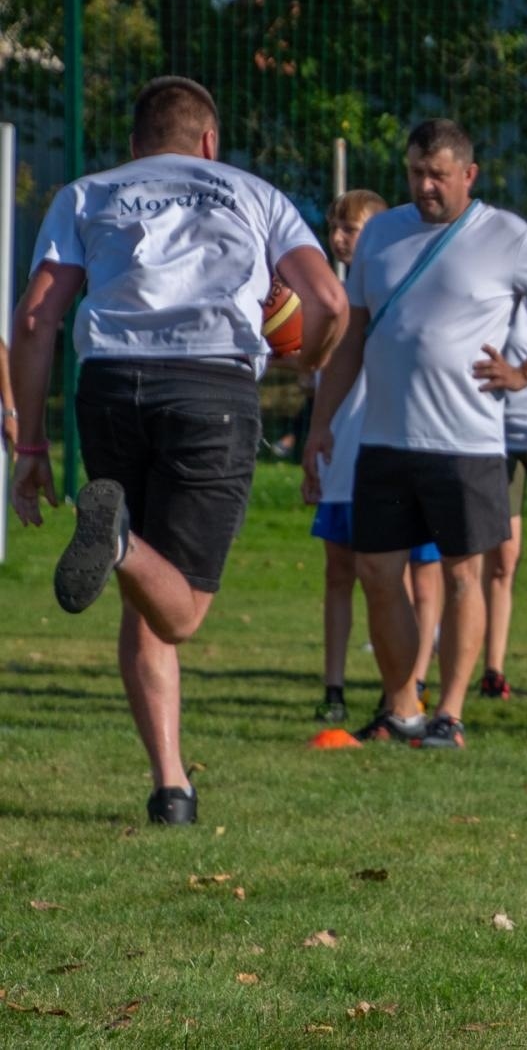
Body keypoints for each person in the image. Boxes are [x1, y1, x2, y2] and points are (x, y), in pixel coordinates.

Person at [8, 76, 347, 823]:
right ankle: (120, 539)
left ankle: (172, 790)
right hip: (210, 387)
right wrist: (309, 360)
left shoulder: (87, 194)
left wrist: (30, 440)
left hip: (109, 384)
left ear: (135, 146)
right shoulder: (254, 193)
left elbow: (35, 318)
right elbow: (328, 302)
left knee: (147, 595)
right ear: (208, 143)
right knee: (183, 610)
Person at [304, 118, 527, 750]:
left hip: (466, 445)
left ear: (469, 175)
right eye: (415, 172)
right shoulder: (381, 232)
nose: (425, 185)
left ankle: (452, 714)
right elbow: (352, 337)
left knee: (465, 577)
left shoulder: (507, 235)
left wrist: (526, 374)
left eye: (438, 174)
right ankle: (403, 705)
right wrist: (319, 426)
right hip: (382, 442)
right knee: (378, 575)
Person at [305, 189, 445, 724]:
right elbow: (311, 367)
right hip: (341, 454)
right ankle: (334, 686)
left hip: (399, 449)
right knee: (342, 571)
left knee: (417, 572)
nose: (341, 238)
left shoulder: (401, 292)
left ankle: (411, 685)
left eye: (354, 228)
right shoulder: (328, 297)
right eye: (336, 228)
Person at [477, 299, 527, 701]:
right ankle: (493, 669)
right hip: (495, 439)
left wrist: (523, 374)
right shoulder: (486, 294)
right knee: (502, 559)